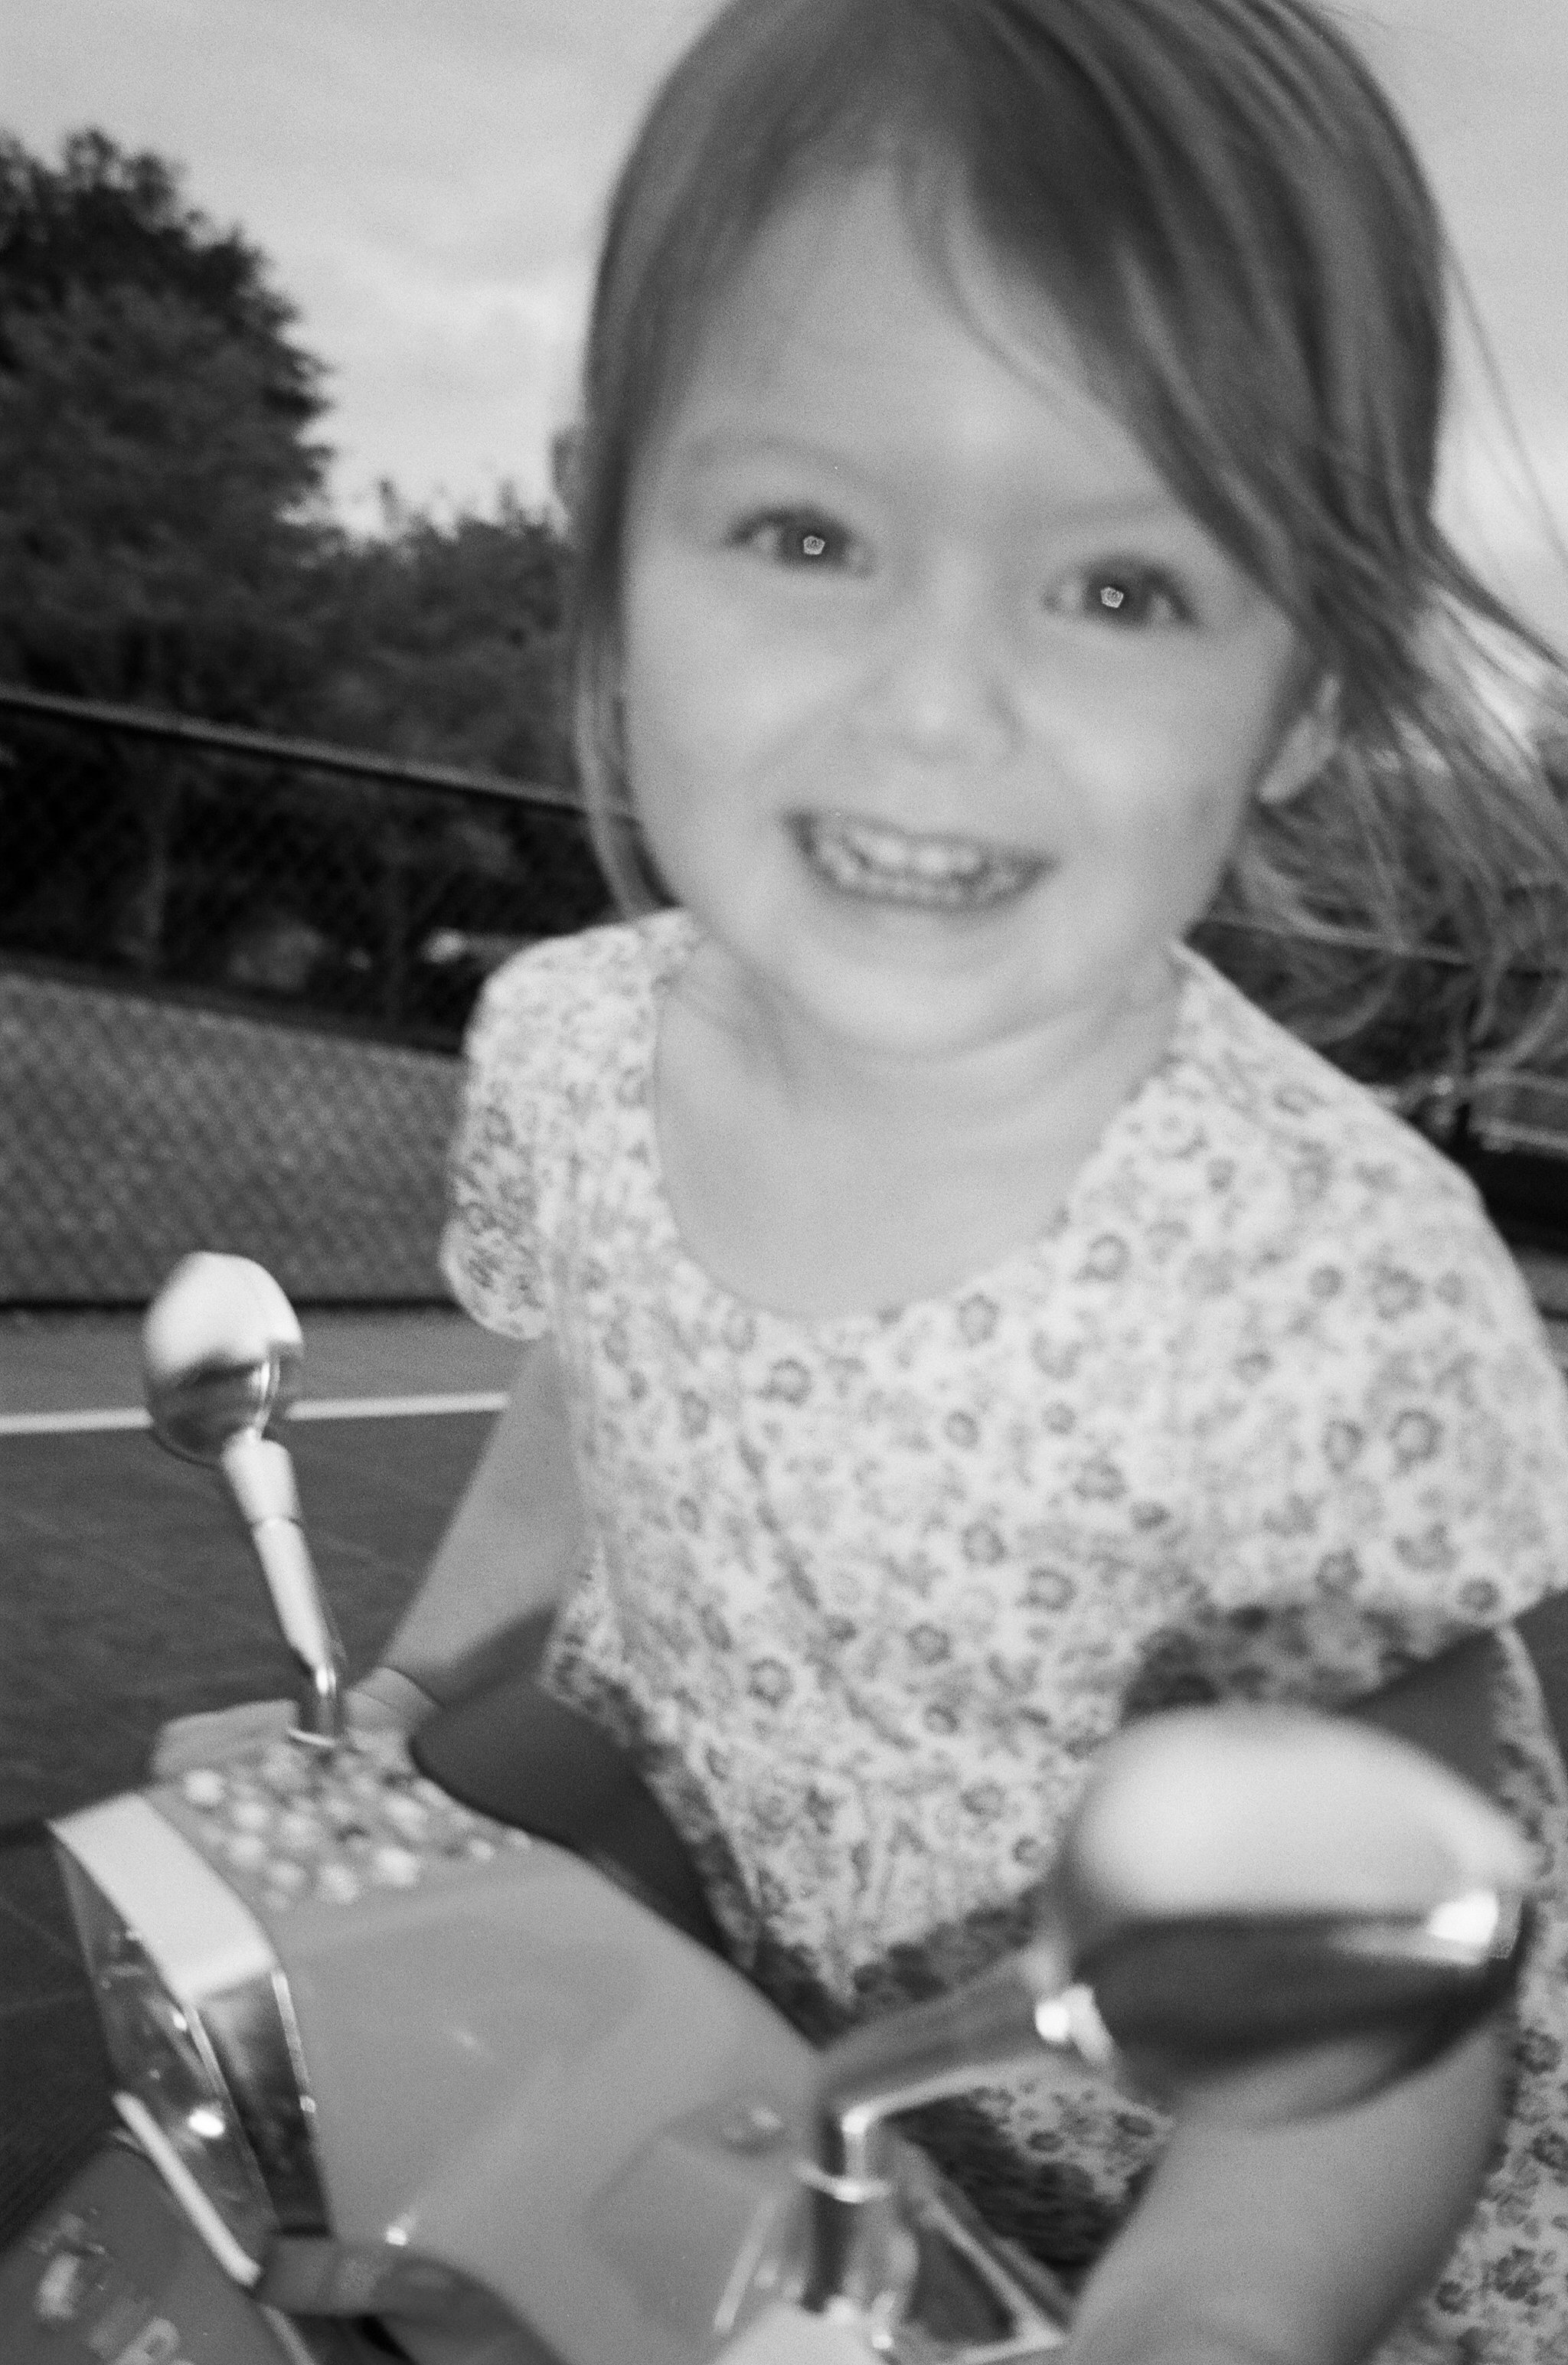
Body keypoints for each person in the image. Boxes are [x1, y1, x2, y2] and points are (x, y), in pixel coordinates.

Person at [159, 2, 1568, 2357]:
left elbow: (1388, 1982)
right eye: (809, 531)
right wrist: (403, 1688)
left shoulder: (1336, 1291)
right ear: (615, 533)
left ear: (1309, 677)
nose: (935, 700)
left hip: (1172, 2193)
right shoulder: (575, 1042)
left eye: (1117, 586)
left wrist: (1205, 2318)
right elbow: (598, 1396)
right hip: (741, 2040)